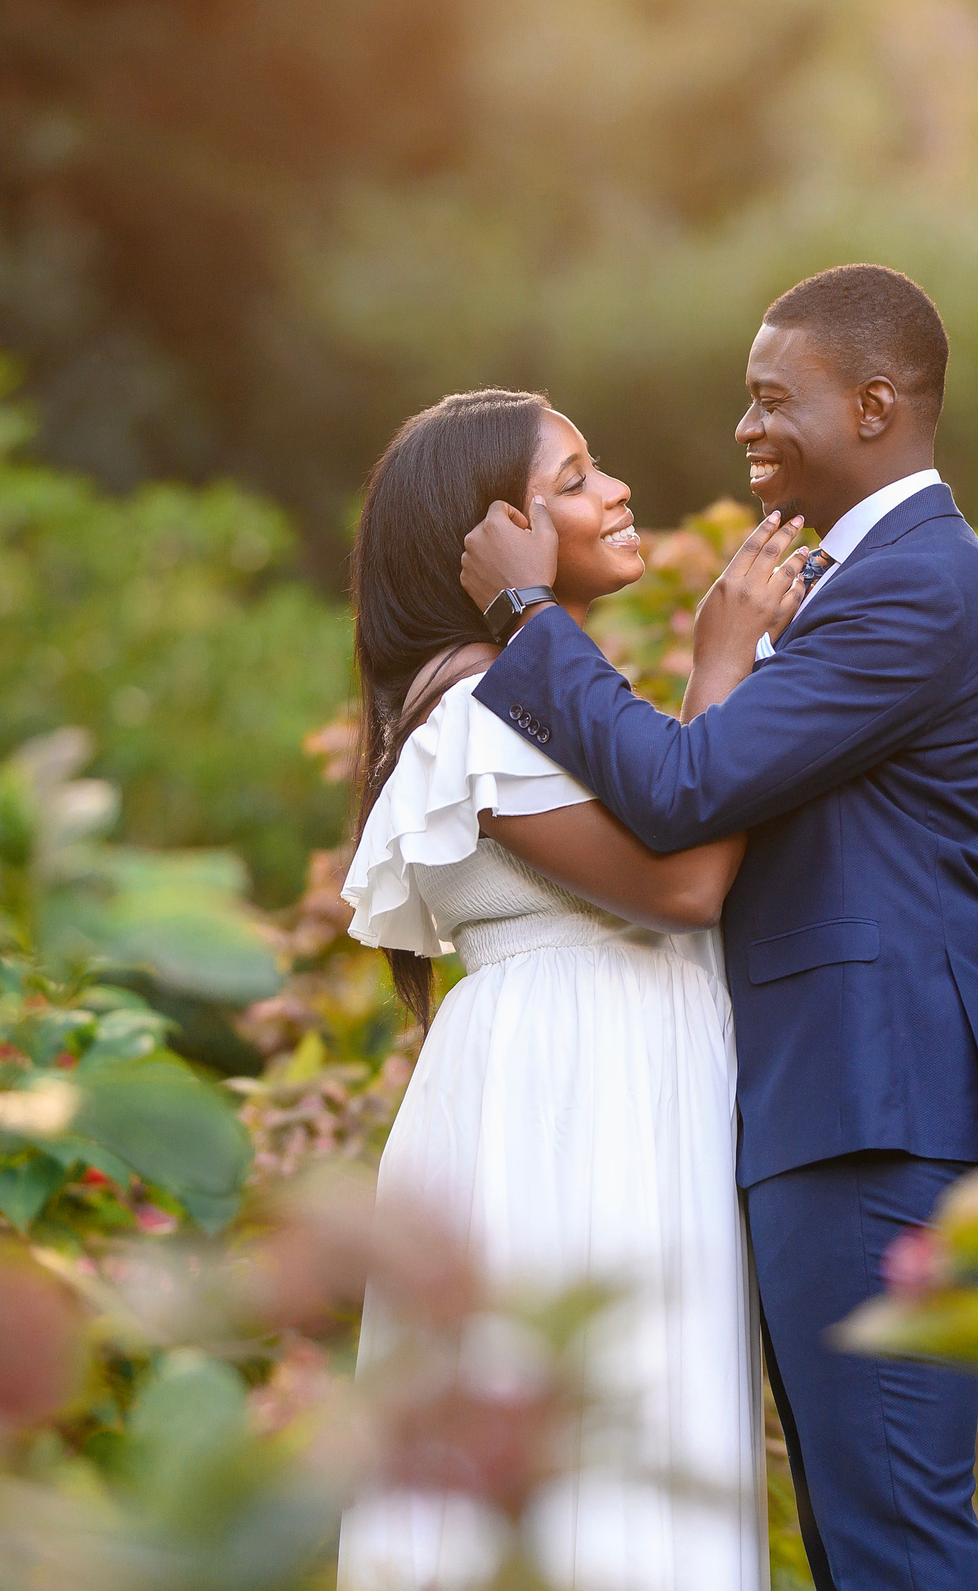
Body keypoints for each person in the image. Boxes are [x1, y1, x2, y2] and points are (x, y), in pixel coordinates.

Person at [461, 265, 978, 1591]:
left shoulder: (919, 584)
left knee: (896, 1541)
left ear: (875, 403)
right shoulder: (858, 585)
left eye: (772, 399)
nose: (746, 428)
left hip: (879, 1102)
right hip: (846, 1104)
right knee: (868, 1540)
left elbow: (685, 791)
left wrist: (524, 615)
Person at [333, 388, 808, 1590]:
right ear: (500, 532)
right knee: (590, 1457)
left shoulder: (527, 690)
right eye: (580, 475)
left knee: (631, 1445)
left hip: (609, 1075)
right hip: (569, 1103)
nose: (618, 491)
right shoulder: (477, 705)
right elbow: (689, 881)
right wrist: (723, 662)